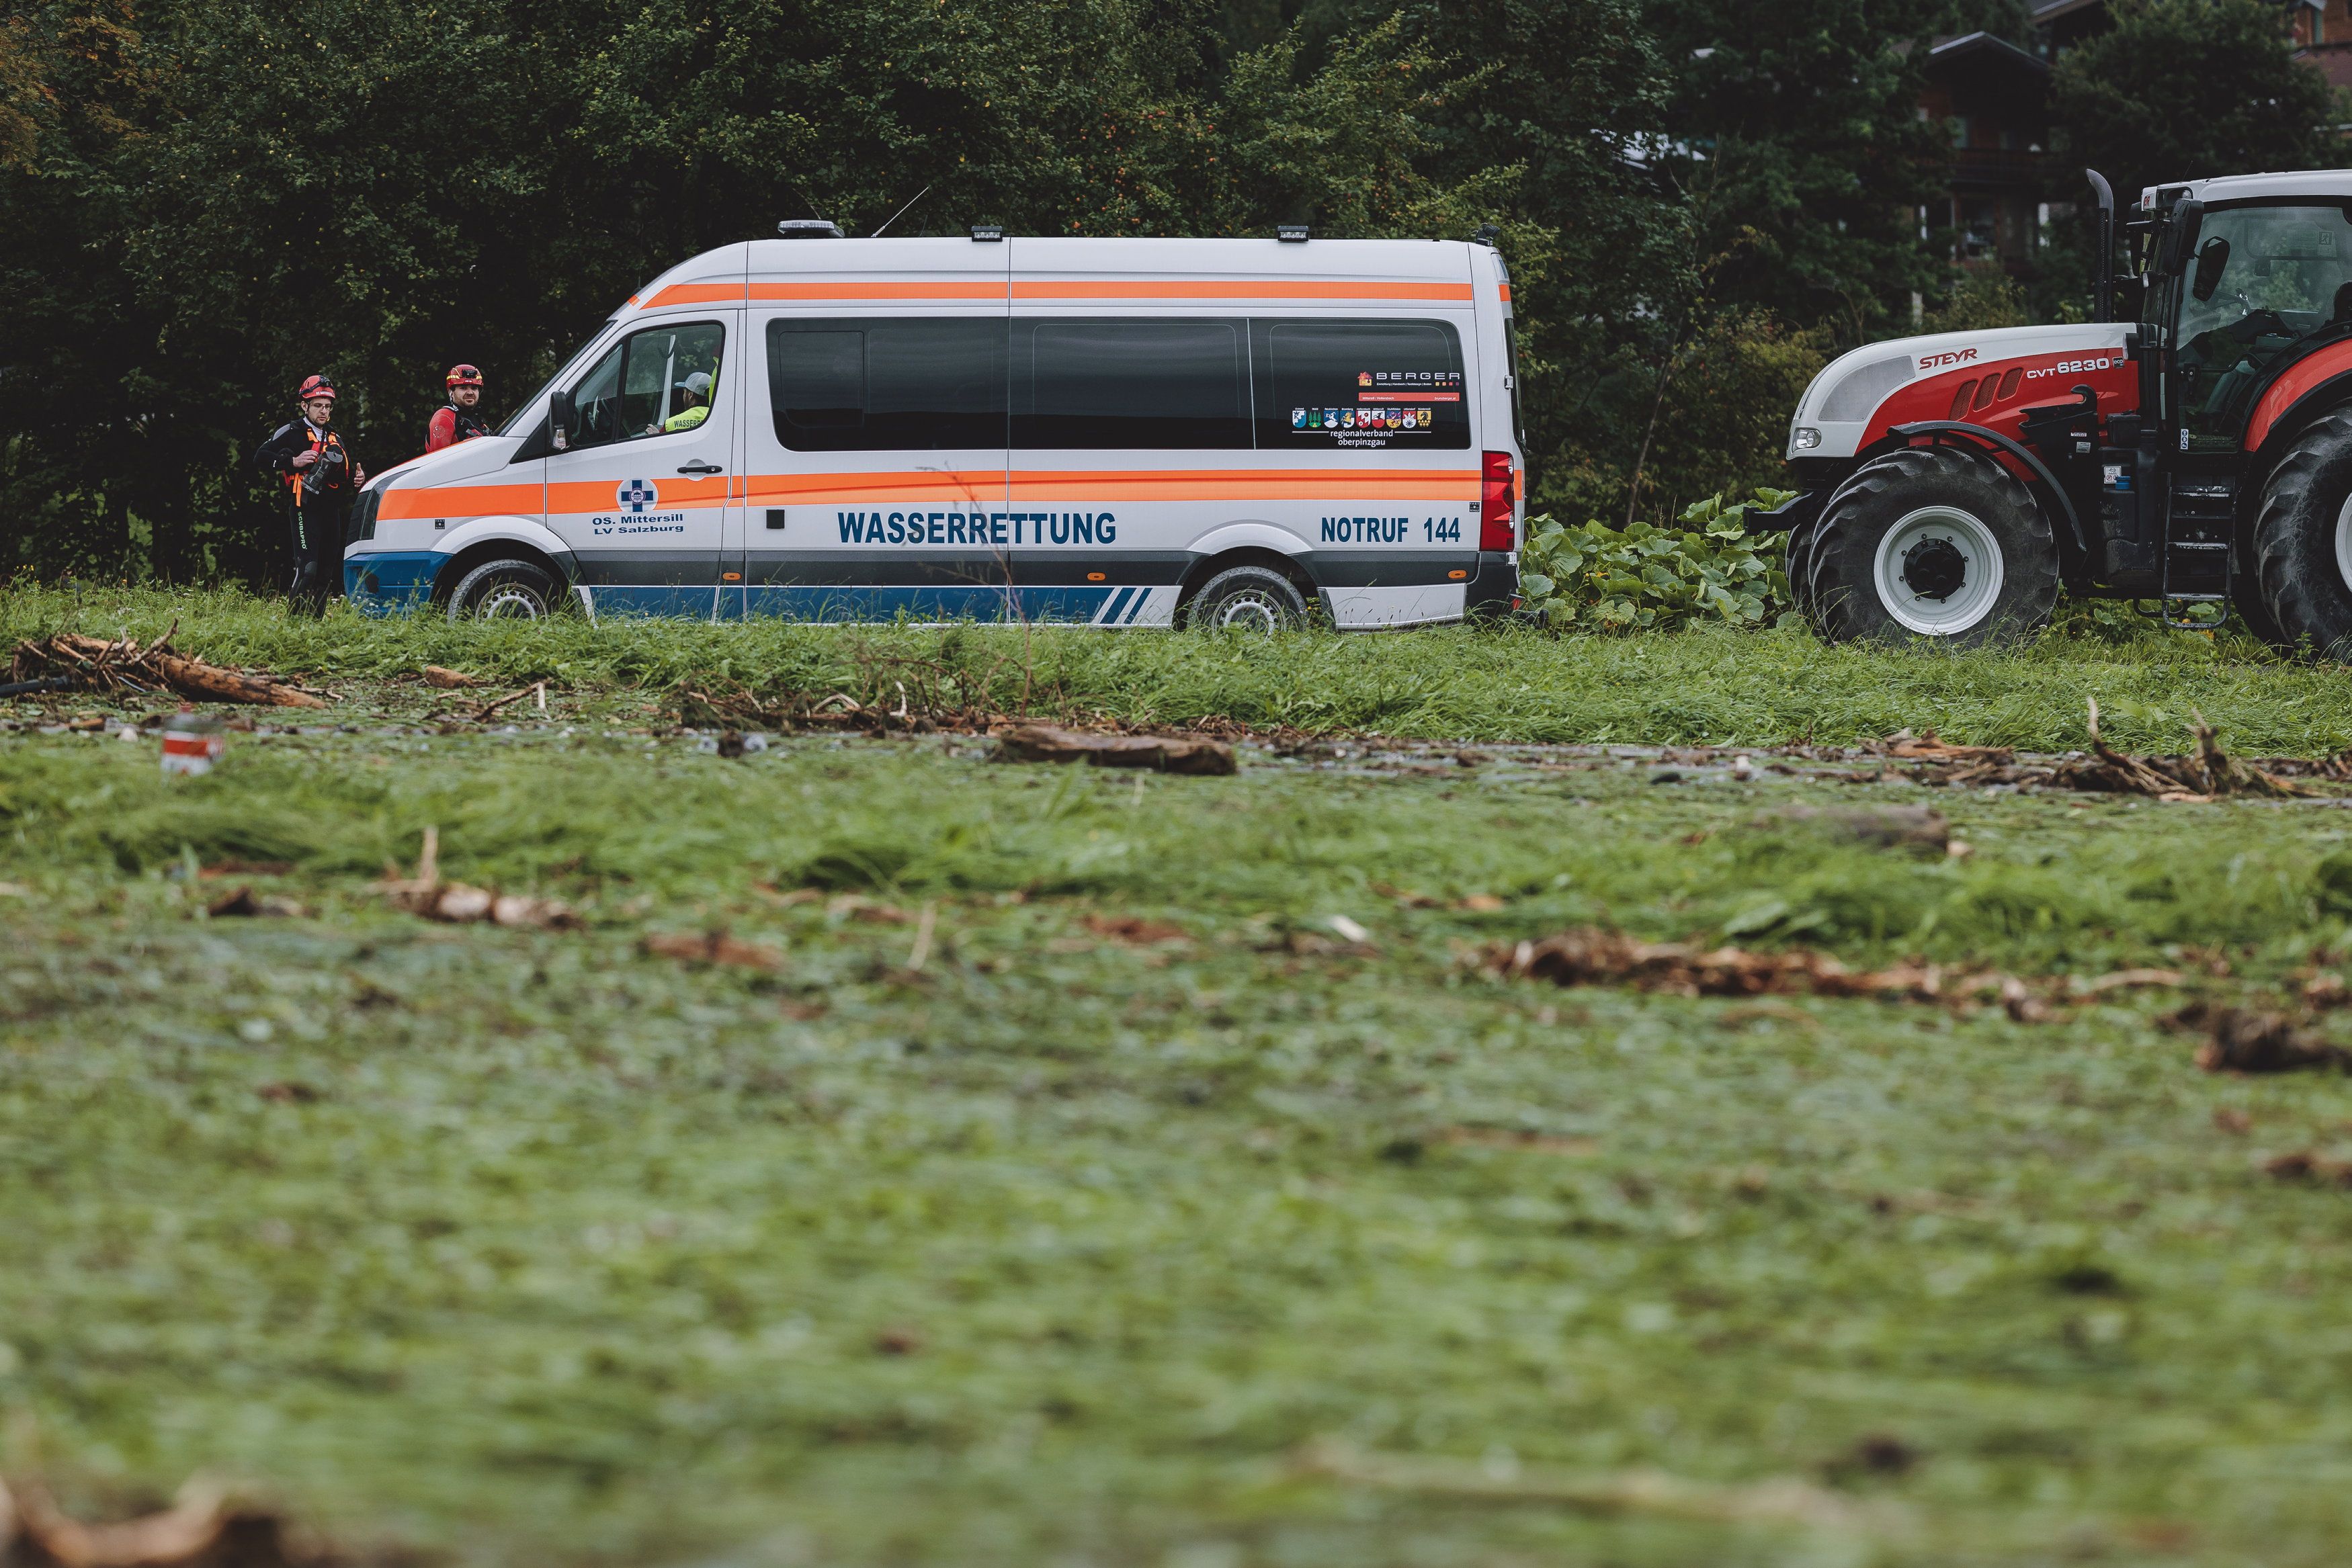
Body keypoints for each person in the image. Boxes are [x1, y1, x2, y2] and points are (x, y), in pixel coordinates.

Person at [253, 374, 366, 615]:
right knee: (308, 569)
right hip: (304, 508)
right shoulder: (291, 431)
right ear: (305, 406)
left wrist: (357, 479)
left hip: (331, 511)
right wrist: (292, 461)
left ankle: (314, 626)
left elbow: (345, 477)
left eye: (327, 407)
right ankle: (294, 623)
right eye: (318, 406)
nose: (323, 411)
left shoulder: (336, 438)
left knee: (326, 572)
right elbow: (260, 457)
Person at [427, 363, 492, 451]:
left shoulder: (476, 418)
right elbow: (438, 461)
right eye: (463, 388)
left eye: (474, 388)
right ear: (451, 392)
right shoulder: (444, 417)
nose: (470, 392)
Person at [656, 369, 714, 433]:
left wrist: (655, 435)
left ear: (690, 395)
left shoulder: (670, 424)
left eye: (684, 392)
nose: (683, 395)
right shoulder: (718, 420)